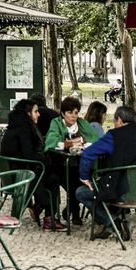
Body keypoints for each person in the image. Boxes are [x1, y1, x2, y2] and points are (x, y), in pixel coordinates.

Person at [76, 105, 136, 240]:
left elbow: (87, 154)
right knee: (108, 187)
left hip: (119, 191)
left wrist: (84, 178)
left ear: (119, 120)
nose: (114, 125)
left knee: (81, 192)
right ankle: (108, 225)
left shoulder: (113, 136)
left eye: (114, 121)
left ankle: (113, 222)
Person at [0, 98, 62, 230]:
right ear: (28, 113)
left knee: (50, 175)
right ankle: (49, 217)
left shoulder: (15, 127)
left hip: (14, 174)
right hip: (23, 176)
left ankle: (41, 209)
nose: (39, 114)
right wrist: (45, 159)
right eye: (36, 111)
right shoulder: (24, 129)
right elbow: (29, 155)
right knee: (54, 178)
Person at [43, 96, 99, 226]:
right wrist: (68, 143)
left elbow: (95, 138)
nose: (73, 116)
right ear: (63, 113)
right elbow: (51, 143)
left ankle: (74, 212)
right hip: (58, 164)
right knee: (74, 181)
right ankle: (74, 212)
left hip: (78, 163)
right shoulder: (56, 123)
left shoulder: (81, 123)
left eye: (76, 113)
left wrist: (84, 142)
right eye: (69, 112)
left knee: (80, 179)